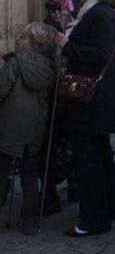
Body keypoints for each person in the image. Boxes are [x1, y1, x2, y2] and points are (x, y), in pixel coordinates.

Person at [55, 0, 115, 237]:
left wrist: (67, 45)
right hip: (95, 104)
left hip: (92, 104)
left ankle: (93, 220)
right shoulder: (97, 12)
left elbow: (100, 53)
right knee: (99, 158)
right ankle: (106, 210)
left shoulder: (100, 14)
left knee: (90, 164)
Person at [0, 23, 57, 234]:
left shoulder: (15, 62)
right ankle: (30, 220)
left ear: (34, 43)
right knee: (30, 175)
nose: (18, 39)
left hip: (10, 125)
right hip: (35, 127)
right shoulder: (52, 67)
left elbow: (2, 88)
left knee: (1, 169)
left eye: (23, 37)